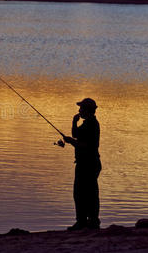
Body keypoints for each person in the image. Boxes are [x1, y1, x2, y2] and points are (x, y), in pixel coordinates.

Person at [63, 98, 102, 231]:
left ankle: (86, 222)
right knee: (83, 193)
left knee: (84, 193)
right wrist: (74, 122)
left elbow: (86, 145)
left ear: (88, 110)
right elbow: (76, 134)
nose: (79, 110)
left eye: (81, 108)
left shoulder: (92, 124)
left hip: (88, 164)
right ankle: (86, 221)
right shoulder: (87, 124)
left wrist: (71, 142)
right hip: (86, 163)